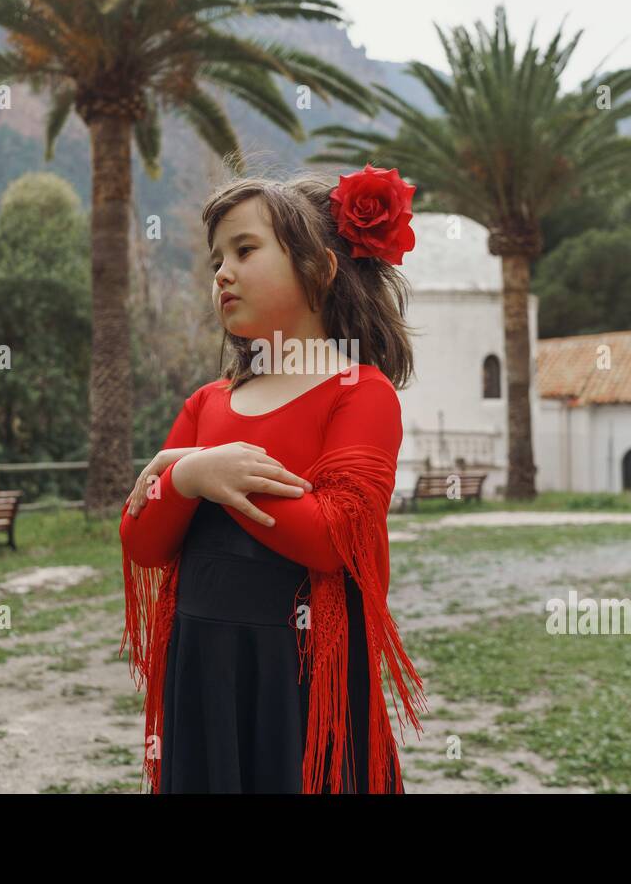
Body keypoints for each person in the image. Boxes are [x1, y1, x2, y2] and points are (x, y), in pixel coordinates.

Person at [118, 163, 428, 793]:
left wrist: (207, 469)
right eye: (215, 260)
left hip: (305, 676)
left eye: (245, 249)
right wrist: (190, 475)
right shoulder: (207, 403)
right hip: (205, 669)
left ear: (319, 268)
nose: (221, 273)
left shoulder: (359, 393)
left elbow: (330, 535)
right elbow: (142, 541)